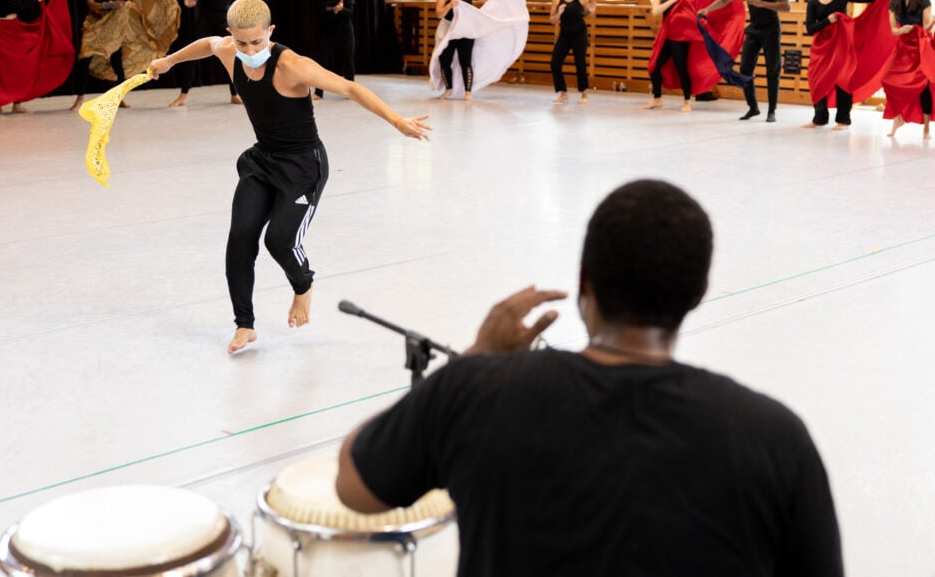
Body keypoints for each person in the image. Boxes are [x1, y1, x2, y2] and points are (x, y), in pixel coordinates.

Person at [337, 179, 844, 576]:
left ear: (585, 281)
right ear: (697, 291)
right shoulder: (773, 437)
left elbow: (354, 486)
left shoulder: (475, 390)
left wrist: (477, 355)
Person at [148, 0, 432, 354]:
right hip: (262, 161)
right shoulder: (227, 50)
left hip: (302, 167)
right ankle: (245, 325)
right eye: (241, 42)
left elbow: (350, 88)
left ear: (270, 31)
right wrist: (168, 61)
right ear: (231, 35)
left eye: (257, 42)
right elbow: (207, 44)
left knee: (279, 241)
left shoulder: (293, 65)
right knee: (240, 239)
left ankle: (303, 286)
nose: (249, 50)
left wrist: (397, 120)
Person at [70, 0, 178, 110]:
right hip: (95, 25)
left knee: (117, 63)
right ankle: (80, 98)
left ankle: (119, 97)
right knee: (84, 61)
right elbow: (91, 4)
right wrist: (112, 5)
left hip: (114, 28)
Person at [699, 0, 790, 122]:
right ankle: (753, 107)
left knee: (773, 70)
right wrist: (707, 9)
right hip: (754, 29)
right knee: (745, 69)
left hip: (771, 29)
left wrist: (761, 3)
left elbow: (786, 6)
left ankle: (772, 111)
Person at [802, 0, 885, 130]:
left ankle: (843, 120)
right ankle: (819, 118)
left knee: (843, 79)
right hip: (822, 46)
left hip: (842, 44)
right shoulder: (812, 2)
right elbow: (810, 28)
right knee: (816, 79)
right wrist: (827, 20)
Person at [168, 0, 242, 108]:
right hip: (205, 19)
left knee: (232, 55)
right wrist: (189, 2)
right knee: (193, 55)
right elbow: (193, 0)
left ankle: (235, 94)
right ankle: (183, 96)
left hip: (224, 19)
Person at [882, 0, 933, 138]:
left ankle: (926, 127)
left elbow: (927, 26)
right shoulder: (894, 2)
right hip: (903, 47)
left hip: (921, 46)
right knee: (887, 79)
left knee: (923, 86)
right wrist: (902, 30)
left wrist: (913, 28)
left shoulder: (924, 0)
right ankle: (898, 118)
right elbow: (893, 31)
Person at [646, 0, 695, 112]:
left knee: (681, 68)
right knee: (654, 66)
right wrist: (672, 1)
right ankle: (657, 99)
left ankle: (687, 101)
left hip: (680, 36)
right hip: (665, 35)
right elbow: (655, 11)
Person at [434, 0, 487, 100]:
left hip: (465, 30)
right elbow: (439, 14)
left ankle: (468, 92)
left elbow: (487, 0)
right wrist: (449, 5)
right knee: (444, 59)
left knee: (466, 61)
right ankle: (448, 89)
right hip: (448, 30)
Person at [549, 0, 596, 104]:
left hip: (579, 33)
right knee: (555, 63)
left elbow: (587, 14)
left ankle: (584, 94)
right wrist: (559, 13)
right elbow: (552, 20)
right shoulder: (557, 0)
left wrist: (591, 11)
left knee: (580, 63)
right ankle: (563, 93)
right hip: (564, 34)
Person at [312, 0, 356, 101]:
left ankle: (352, 92)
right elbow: (320, 13)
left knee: (348, 60)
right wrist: (334, 11)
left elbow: (350, 12)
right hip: (327, 33)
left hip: (345, 33)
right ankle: (318, 92)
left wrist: (340, 10)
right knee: (321, 62)